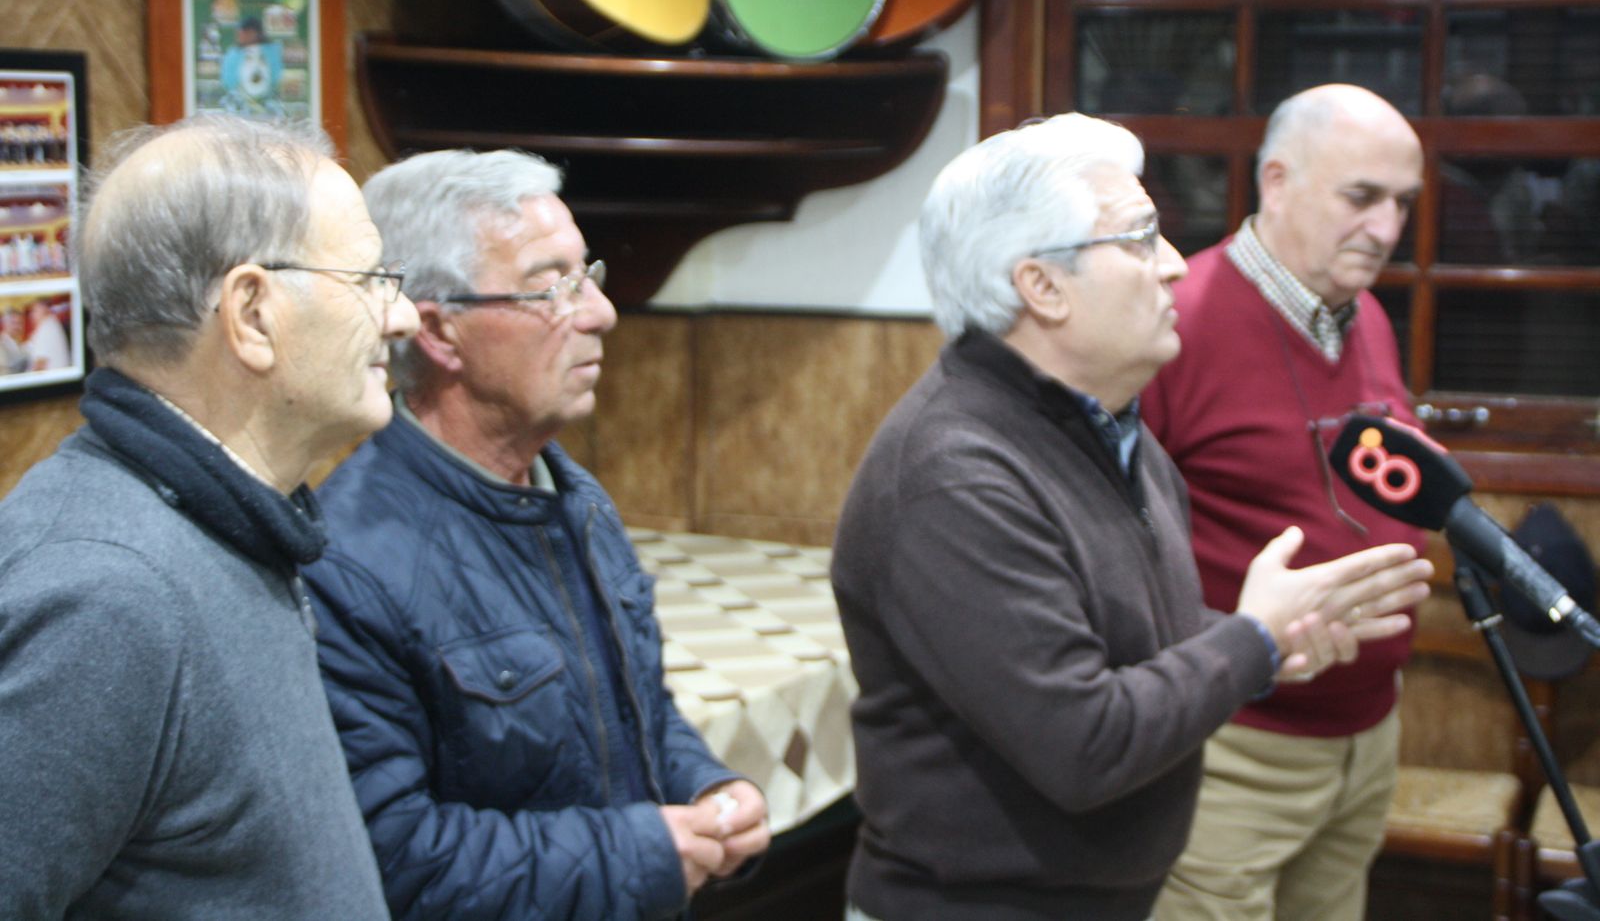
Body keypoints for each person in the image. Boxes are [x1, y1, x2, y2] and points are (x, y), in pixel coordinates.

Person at [831, 112, 1435, 921]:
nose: (1178, 266)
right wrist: (1249, 640)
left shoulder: (1113, 433)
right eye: (1141, 239)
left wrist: (1273, 636)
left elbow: (1126, 637)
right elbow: (1084, 742)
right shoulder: (952, 475)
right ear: (1041, 286)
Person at [302, 147, 771, 921]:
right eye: (551, 287)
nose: (598, 313)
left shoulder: (573, 498)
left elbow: (635, 714)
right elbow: (394, 858)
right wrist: (645, 853)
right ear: (439, 332)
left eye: (586, 275)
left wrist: (704, 788)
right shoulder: (349, 565)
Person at [0, 112, 417, 918]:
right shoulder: (105, 597)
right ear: (252, 314)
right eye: (371, 280)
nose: (401, 318)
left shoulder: (231, 522)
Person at [1143, 84, 1429, 921]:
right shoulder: (1177, 320)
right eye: (1362, 198)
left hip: (1367, 739)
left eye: (1402, 205)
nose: (1386, 230)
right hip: (1238, 752)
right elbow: (1110, 544)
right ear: (1275, 181)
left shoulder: (1365, 315)